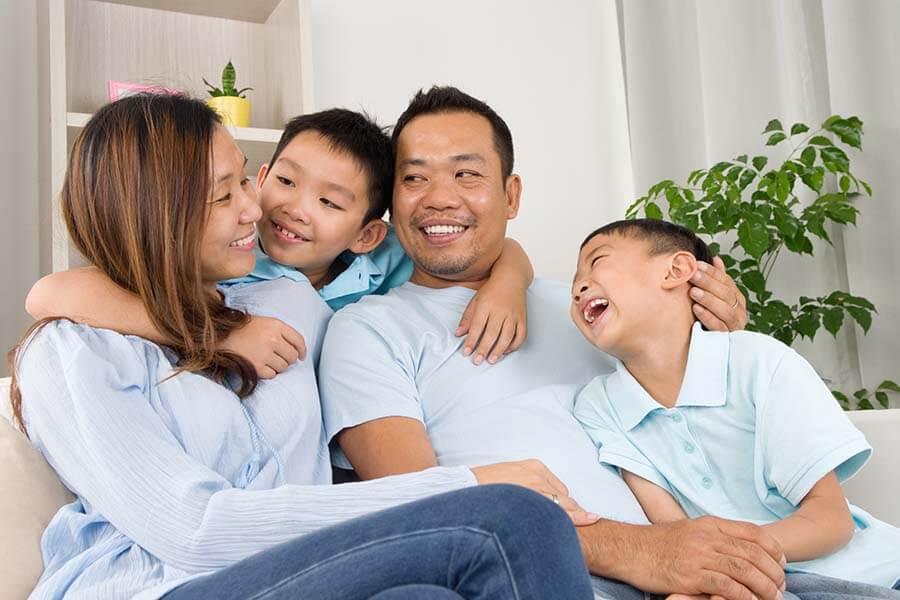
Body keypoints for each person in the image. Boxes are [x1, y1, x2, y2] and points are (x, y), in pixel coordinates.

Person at [7, 94, 597, 600]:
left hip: (293, 573)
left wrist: (511, 276)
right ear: (155, 212)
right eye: (223, 195)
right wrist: (468, 487)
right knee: (513, 522)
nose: (255, 206)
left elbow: (452, 253)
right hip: (158, 585)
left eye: (244, 177)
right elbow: (195, 533)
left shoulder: (293, 303)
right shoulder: (74, 351)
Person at [316, 86, 795, 600]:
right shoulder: (366, 331)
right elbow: (421, 508)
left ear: (511, 194)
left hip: (709, 559)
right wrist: (651, 551)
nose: (439, 197)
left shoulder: (592, 306)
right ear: (391, 202)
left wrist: (722, 338)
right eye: (414, 177)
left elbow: (713, 431)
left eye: (466, 173)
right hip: (548, 575)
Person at [25, 108, 535, 375]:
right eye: (285, 183)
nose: (293, 209)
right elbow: (47, 294)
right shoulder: (230, 262)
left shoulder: (384, 261)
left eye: (329, 203)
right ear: (263, 176)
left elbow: (482, 249)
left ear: (366, 234)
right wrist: (215, 334)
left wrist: (508, 282)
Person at [570, 218, 900, 595]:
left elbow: (831, 520)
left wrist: (728, 555)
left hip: (868, 573)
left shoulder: (758, 362)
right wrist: (709, 574)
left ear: (677, 270)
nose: (577, 288)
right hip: (748, 582)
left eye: (596, 261)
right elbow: (675, 536)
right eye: (574, 280)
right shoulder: (599, 406)